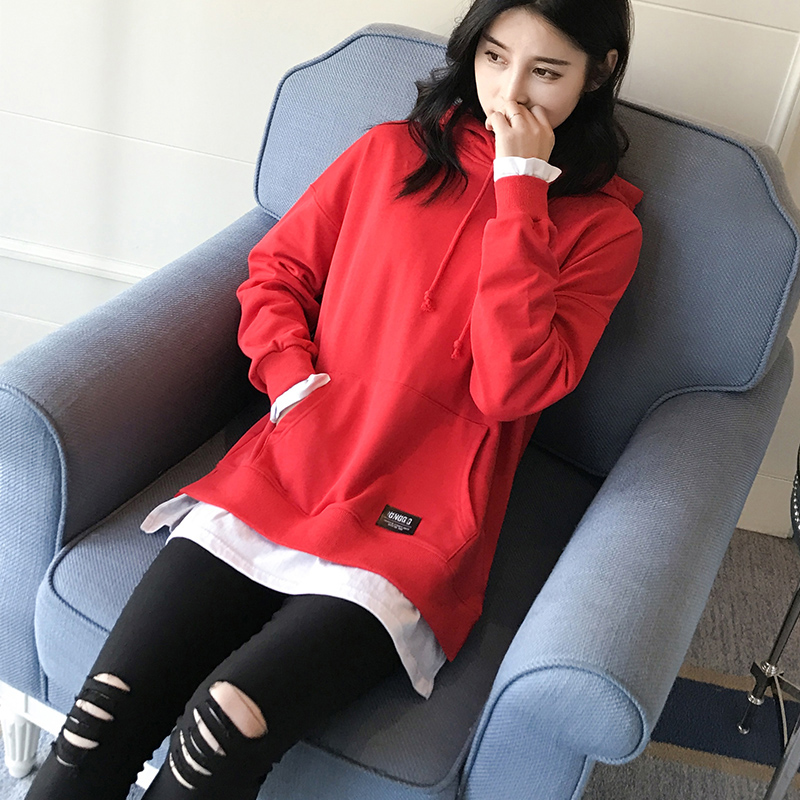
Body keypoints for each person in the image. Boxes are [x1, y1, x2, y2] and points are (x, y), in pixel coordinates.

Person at [26, 1, 642, 797]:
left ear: (600, 73)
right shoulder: (387, 154)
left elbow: (510, 385)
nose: (509, 91)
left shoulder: (603, 230)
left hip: (419, 521)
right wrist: (290, 382)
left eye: (546, 71)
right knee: (97, 720)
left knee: (224, 726)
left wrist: (520, 193)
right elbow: (276, 273)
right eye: (494, 57)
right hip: (290, 466)